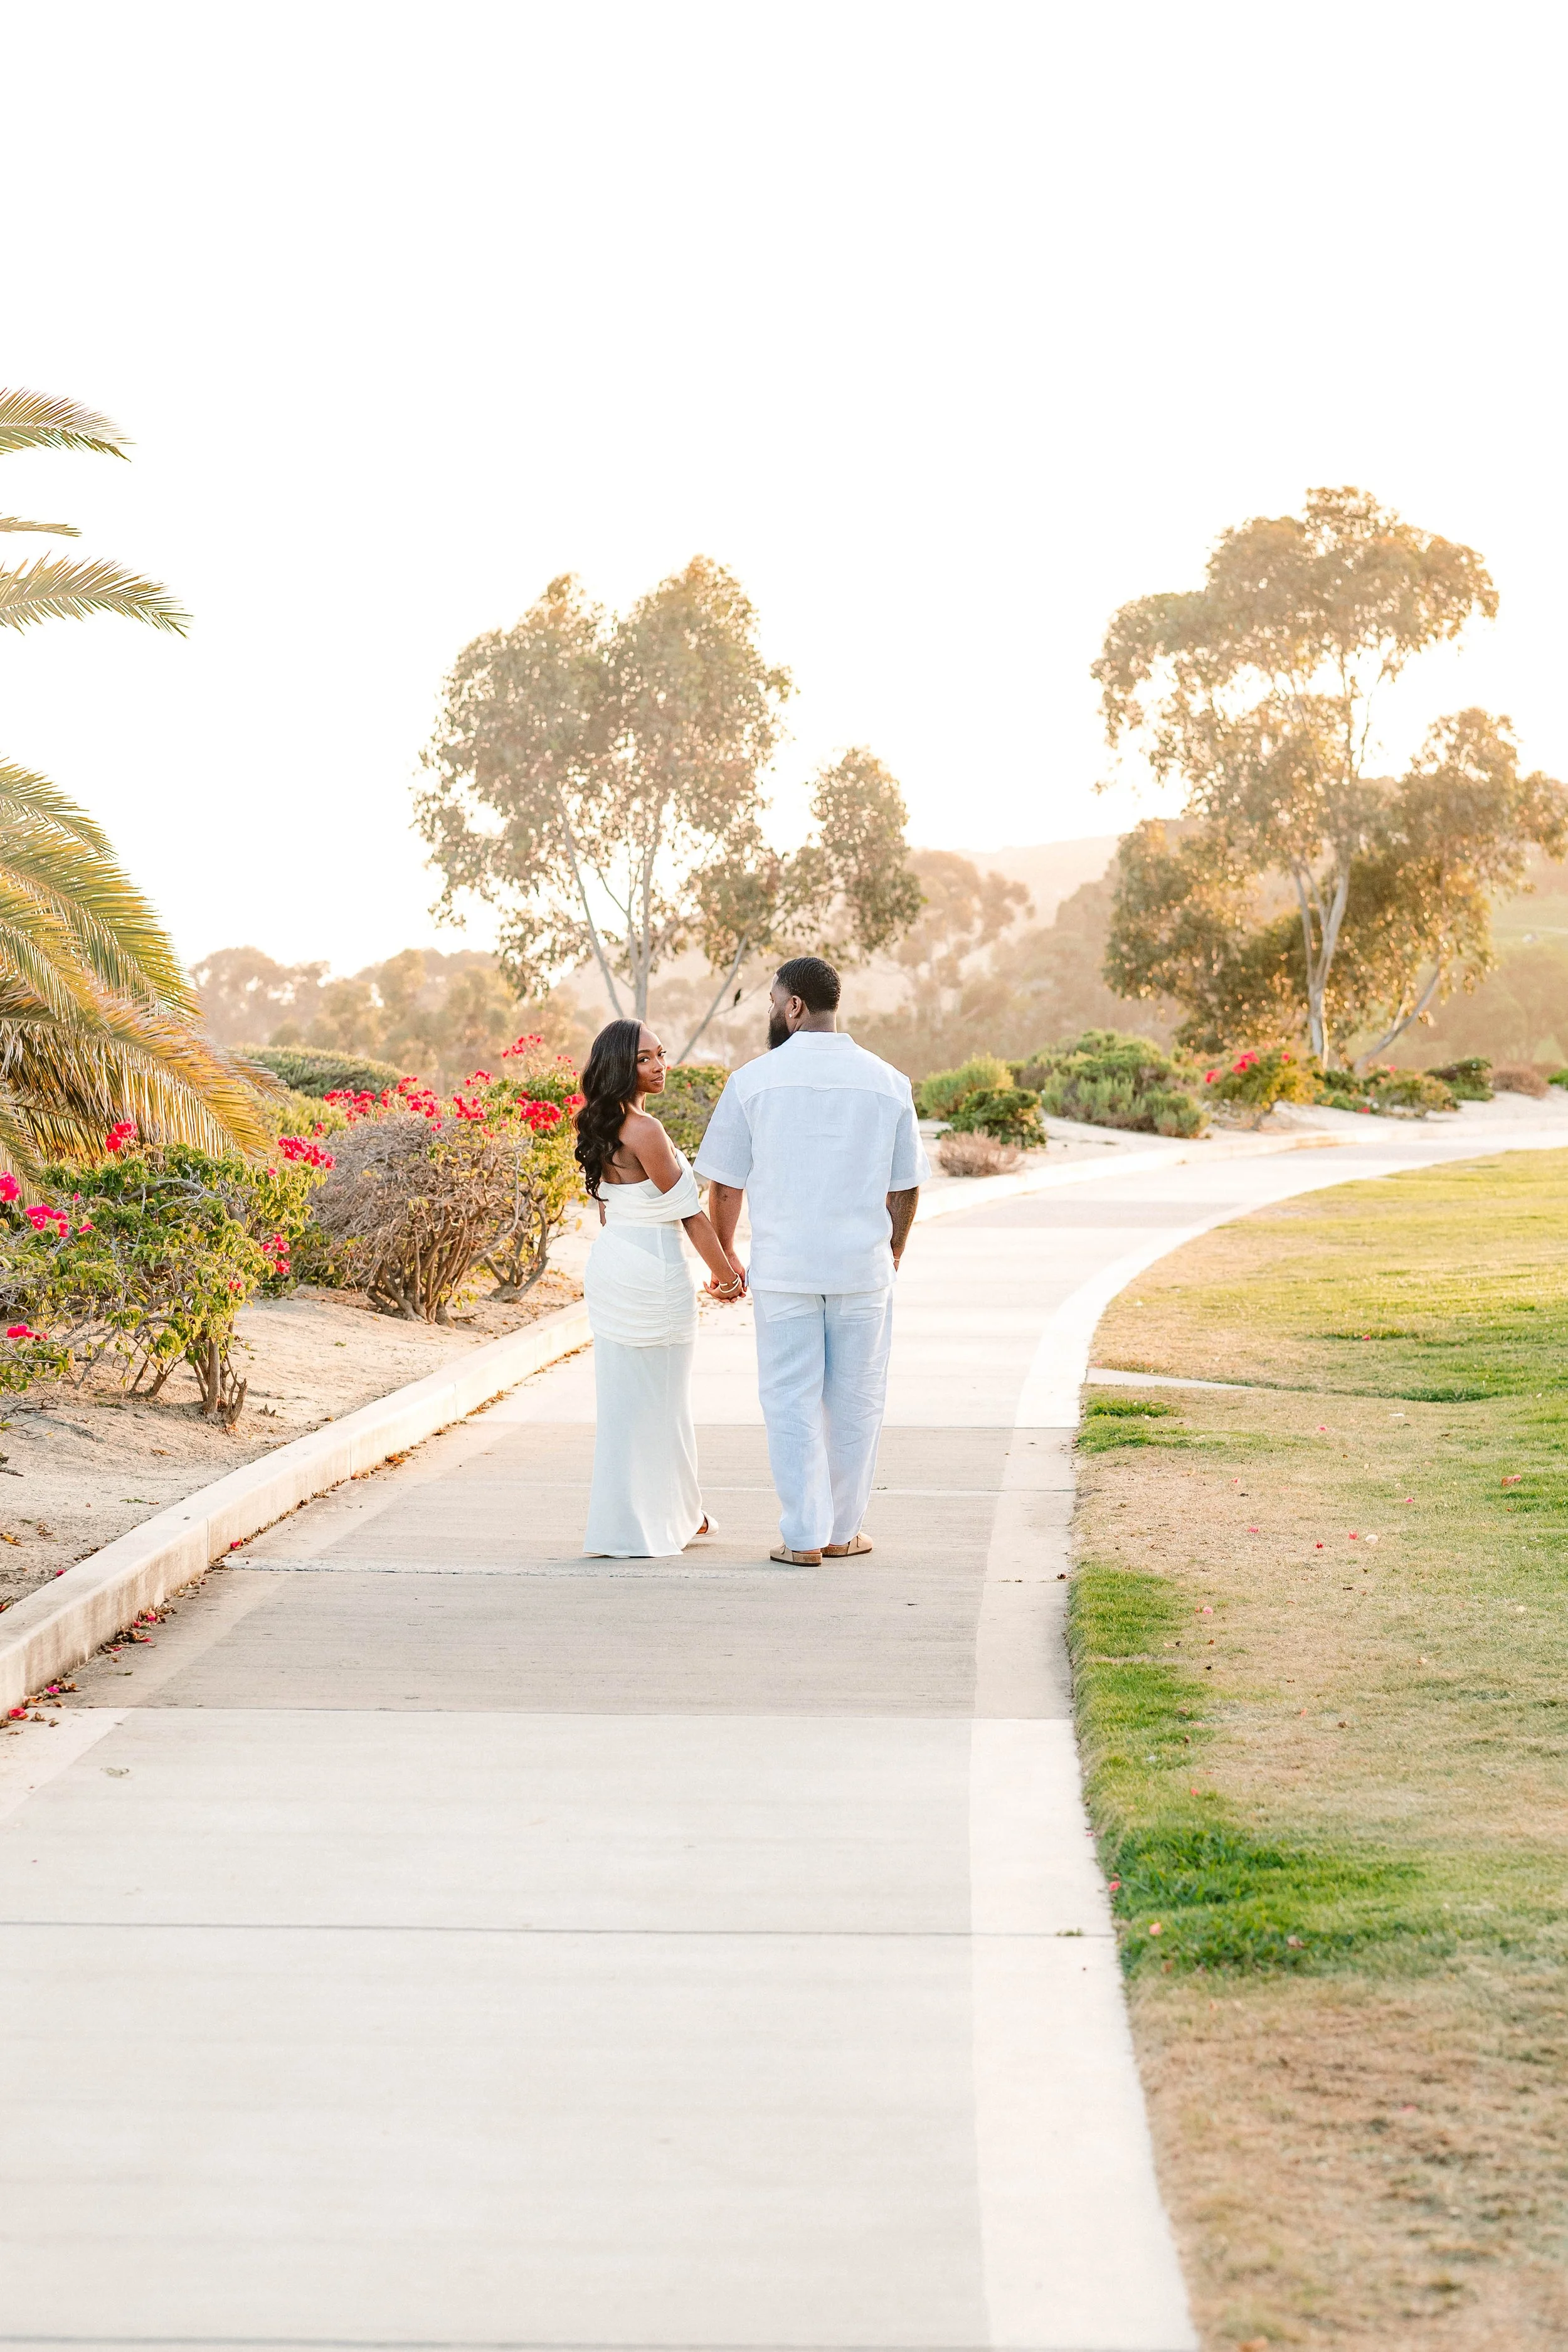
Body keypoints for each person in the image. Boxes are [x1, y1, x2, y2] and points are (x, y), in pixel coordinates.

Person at [694, 955, 928, 1566]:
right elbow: (905, 1186)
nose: (771, 1011)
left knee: (789, 1399)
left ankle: (802, 1537)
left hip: (786, 1270)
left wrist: (726, 1265)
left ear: (793, 1005)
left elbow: (723, 1185)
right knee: (856, 1401)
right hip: (861, 1269)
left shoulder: (752, 1081)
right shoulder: (887, 1081)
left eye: (773, 1001)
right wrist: (893, 1253)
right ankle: (841, 1532)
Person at [575, 1019, 747, 1557]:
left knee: (626, 1401)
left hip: (614, 1265)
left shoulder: (598, 1125)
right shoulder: (645, 1132)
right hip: (654, 1270)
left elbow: (609, 1209)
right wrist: (727, 1274)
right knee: (666, 1403)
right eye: (645, 1059)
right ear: (621, 1067)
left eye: (661, 1055)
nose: (659, 1067)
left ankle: (656, 1517)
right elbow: (690, 1214)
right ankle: (670, 1518)